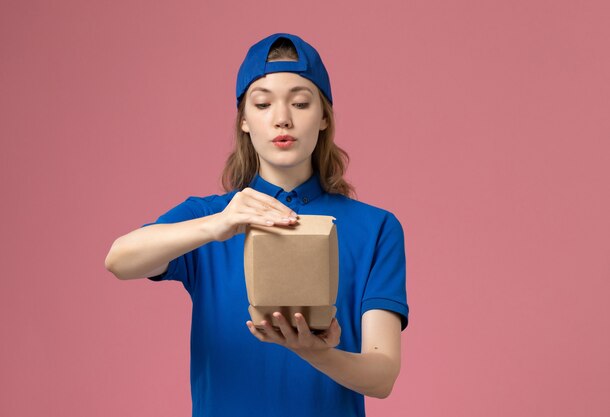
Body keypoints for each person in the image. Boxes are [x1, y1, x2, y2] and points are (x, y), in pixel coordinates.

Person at [105, 32, 409, 417]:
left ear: (324, 117)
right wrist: (219, 224)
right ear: (244, 121)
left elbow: (382, 376)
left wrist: (315, 353)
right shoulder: (210, 217)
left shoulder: (376, 228)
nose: (282, 118)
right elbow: (119, 260)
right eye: (263, 104)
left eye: (300, 102)